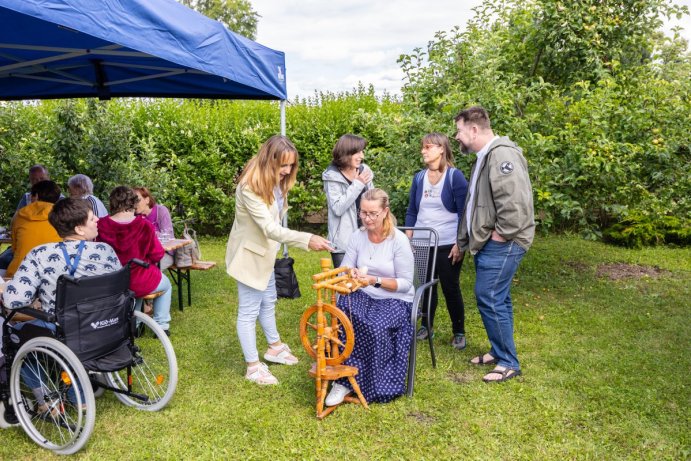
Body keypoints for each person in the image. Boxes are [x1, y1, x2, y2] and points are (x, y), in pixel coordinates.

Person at [225, 135, 333, 386]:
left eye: (290, 166)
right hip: (249, 257)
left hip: (266, 255)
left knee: (269, 300)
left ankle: (273, 347)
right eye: (283, 165)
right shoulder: (250, 186)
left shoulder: (274, 182)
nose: (286, 171)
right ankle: (253, 367)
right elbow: (269, 228)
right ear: (269, 159)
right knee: (249, 311)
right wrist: (306, 239)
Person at [1, 198, 121, 417]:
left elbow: (14, 301)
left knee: (12, 335)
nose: (98, 221)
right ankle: (77, 396)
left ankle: (47, 400)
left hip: (67, 332)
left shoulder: (40, 254)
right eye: (92, 218)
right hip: (109, 327)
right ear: (78, 228)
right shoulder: (106, 251)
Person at [454, 106, 535, 383]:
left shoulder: (502, 154)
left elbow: (514, 204)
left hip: (505, 241)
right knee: (498, 298)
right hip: (490, 241)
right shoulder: (484, 156)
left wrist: (500, 236)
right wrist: (465, 240)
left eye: (460, 131)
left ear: (474, 129)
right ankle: (498, 351)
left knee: (488, 296)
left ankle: (508, 362)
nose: (457, 137)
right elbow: (474, 201)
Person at [325, 188, 415, 405]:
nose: (367, 218)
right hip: (365, 293)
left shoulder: (398, 241)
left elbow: (405, 284)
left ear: (385, 211)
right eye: (363, 213)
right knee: (342, 313)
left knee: (375, 325)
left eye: (373, 213)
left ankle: (375, 384)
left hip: (394, 298)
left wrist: (374, 280)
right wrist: (351, 272)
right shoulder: (358, 236)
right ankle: (343, 380)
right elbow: (346, 266)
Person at [405, 133, 469, 349]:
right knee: (425, 286)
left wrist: (460, 244)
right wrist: (409, 236)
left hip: (448, 244)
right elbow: (412, 211)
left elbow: (464, 213)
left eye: (428, 147)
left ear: (441, 149)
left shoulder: (454, 177)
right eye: (423, 147)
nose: (423, 151)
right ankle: (426, 325)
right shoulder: (418, 178)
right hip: (423, 243)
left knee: (451, 287)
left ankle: (458, 331)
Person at [96, 186, 172, 335]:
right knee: (166, 285)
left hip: (112, 280)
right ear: (133, 202)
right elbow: (157, 255)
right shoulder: (144, 225)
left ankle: (134, 325)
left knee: (133, 290)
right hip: (139, 278)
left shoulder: (101, 224)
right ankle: (161, 326)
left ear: (112, 203)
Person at [322, 134, 374, 268]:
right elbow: (338, 208)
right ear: (346, 153)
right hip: (343, 244)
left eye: (362, 151)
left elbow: (373, 200)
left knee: (366, 284)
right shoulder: (332, 176)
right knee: (346, 285)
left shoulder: (364, 170)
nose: (362, 156)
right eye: (357, 152)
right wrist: (358, 184)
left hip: (367, 238)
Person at [0, 164, 56, 270]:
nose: (39, 182)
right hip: (26, 245)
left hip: (48, 248)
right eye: (34, 180)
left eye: (41, 178)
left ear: (48, 178)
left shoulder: (60, 200)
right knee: (3, 259)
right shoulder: (26, 198)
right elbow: (14, 225)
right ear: (30, 181)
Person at [6, 180, 62, 278]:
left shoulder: (20, 215)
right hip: (52, 273)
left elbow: (14, 248)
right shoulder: (63, 215)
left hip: (18, 272)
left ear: (36, 196)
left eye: (31, 196)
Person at [133, 187, 175, 270]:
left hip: (164, 253)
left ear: (147, 200)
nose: (135, 204)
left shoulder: (161, 211)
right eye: (132, 201)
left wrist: (149, 233)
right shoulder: (134, 216)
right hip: (144, 254)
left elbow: (168, 237)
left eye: (137, 200)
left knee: (148, 270)